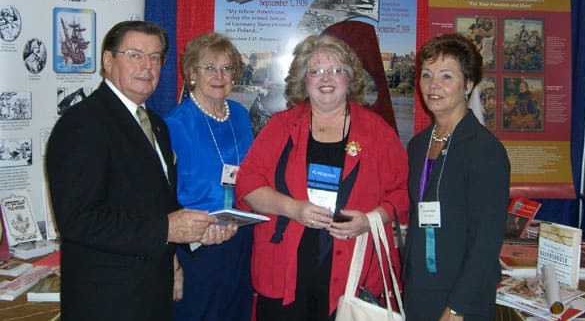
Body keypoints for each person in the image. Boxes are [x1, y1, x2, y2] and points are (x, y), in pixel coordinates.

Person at [46, 20, 235, 321]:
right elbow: (78, 221)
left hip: (152, 292)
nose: (147, 66)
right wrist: (168, 229)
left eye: (155, 57)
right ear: (108, 61)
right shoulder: (83, 124)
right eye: (134, 55)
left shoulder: (155, 124)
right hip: (107, 300)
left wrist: (197, 233)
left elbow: (158, 205)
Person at [235, 34, 409, 321]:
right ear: (304, 80)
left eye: (335, 70)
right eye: (315, 71)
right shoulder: (279, 127)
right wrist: (293, 208)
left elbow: (401, 194)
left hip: (354, 271)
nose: (325, 78)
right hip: (284, 270)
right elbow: (247, 186)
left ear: (349, 79)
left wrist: (369, 220)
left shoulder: (378, 132)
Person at [403, 33, 510, 320]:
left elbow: (487, 240)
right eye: (426, 75)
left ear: (469, 84)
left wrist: (458, 304)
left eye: (446, 76)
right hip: (419, 287)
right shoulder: (418, 145)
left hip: (462, 296)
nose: (433, 85)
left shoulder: (484, 150)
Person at [165, 32, 254, 320]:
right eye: (210, 68)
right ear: (192, 73)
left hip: (239, 235)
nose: (219, 75)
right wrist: (172, 262)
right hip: (198, 243)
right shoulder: (175, 123)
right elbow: (160, 197)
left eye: (226, 68)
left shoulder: (240, 115)